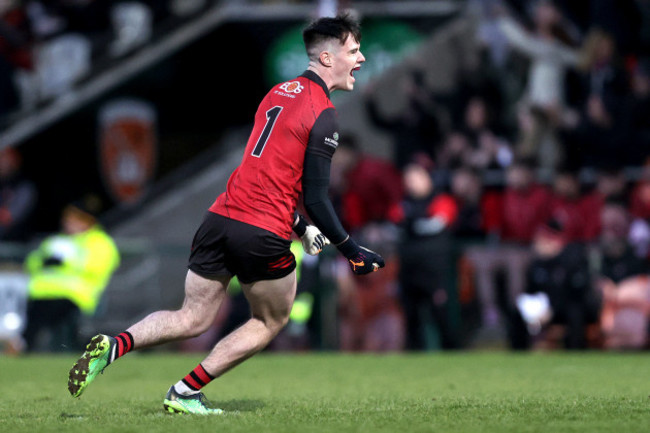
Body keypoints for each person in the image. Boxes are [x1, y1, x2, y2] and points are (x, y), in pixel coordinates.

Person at [67, 14, 384, 415]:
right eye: (354, 51)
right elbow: (317, 197)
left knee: (192, 317)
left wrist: (302, 227)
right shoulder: (324, 113)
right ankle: (184, 391)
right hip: (263, 229)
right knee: (271, 320)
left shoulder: (276, 94)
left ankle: (115, 345)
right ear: (326, 57)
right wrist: (353, 250)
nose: (361, 59)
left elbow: (267, 172)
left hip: (220, 218)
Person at [22, 196, 120, 352]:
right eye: (68, 218)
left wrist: (68, 261)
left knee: (47, 324)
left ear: (88, 221)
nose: (69, 223)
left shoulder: (100, 242)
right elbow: (31, 263)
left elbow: (98, 267)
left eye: (75, 219)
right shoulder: (55, 240)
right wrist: (44, 261)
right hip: (42, 294)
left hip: (76, 296)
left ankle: (27, 348)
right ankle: (25, 349)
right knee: (35, 320)